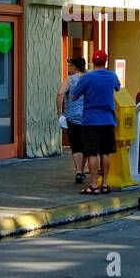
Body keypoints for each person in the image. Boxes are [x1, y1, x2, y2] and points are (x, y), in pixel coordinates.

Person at [71, 49, 120, 192]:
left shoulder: (87, 77)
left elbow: (74, 96)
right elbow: (118, 88)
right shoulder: (112, 76)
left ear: (92, 61)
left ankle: (93, 185)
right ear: (105, 61)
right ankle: (104, 184)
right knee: (105, 153)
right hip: (108, 120)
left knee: (92, 153)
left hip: (90, 120)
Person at [57, 56, 88, 184]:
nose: (70, 68)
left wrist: (60, 112)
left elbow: (60, 94)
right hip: (88, 117)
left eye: (71, 65)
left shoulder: (70, 79)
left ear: (75, 67)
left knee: (76, 146)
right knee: (85, 146)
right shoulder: (89, 79)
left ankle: (78, 171)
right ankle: (81, 170)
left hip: (73, 117)